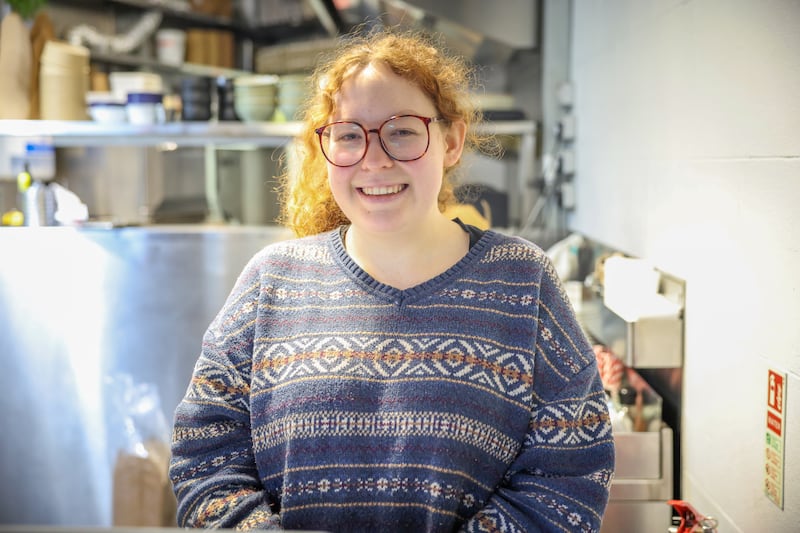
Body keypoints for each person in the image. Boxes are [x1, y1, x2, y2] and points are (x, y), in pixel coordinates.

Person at [169, 28, 615, 533]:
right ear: (326, 149)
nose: (374, 159)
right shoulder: (270, 281)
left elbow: (570, 472)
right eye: (349, 135)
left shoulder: (522, 281)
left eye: (402, 130)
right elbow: (205, 458)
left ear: (450, 141)